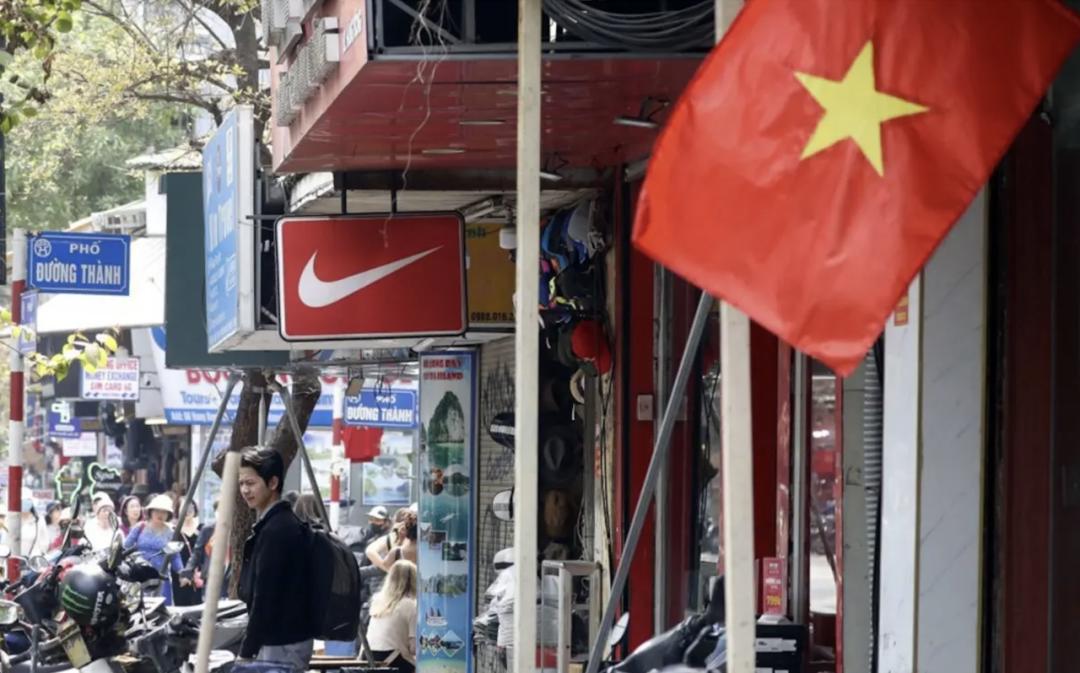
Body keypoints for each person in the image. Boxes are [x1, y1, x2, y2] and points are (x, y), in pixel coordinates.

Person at [237, 447, 315, 669]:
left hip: (282, 643)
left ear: (273, 483)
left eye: (251, 483)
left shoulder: (277, 530)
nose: (245, 490)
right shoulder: (277, 524)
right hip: (282, 640)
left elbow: (265, 595)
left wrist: (247, 650)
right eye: (241, 483)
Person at [125, 494, 183, 605]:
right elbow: (125, 547)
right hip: (140, 579)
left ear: (168, 514)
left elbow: (175, 556)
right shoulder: (140, 527)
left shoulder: (171, 532)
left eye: (164, 512)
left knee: (162, 611)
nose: (160, 514)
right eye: (157, 511)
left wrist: (182, 573)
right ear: (151, 511)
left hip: (161, 579)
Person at [365, 560, 417, 673]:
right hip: (395, 660)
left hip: (368, 658)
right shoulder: (411, 605)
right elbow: (414, 647)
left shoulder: (377, 601)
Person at [182, 499, 225, 600]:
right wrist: (187, 572)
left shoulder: (236, 530)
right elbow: (197, 552)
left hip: (229, 577)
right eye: (219, 509)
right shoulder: (207, 530)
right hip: (210, 576)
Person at [172, 502, 201, 606]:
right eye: (184, 507)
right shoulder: (174, 531)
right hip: (180, 576)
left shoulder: (201, 528)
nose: (188, 510)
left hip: (199, 576)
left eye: (190, 506)